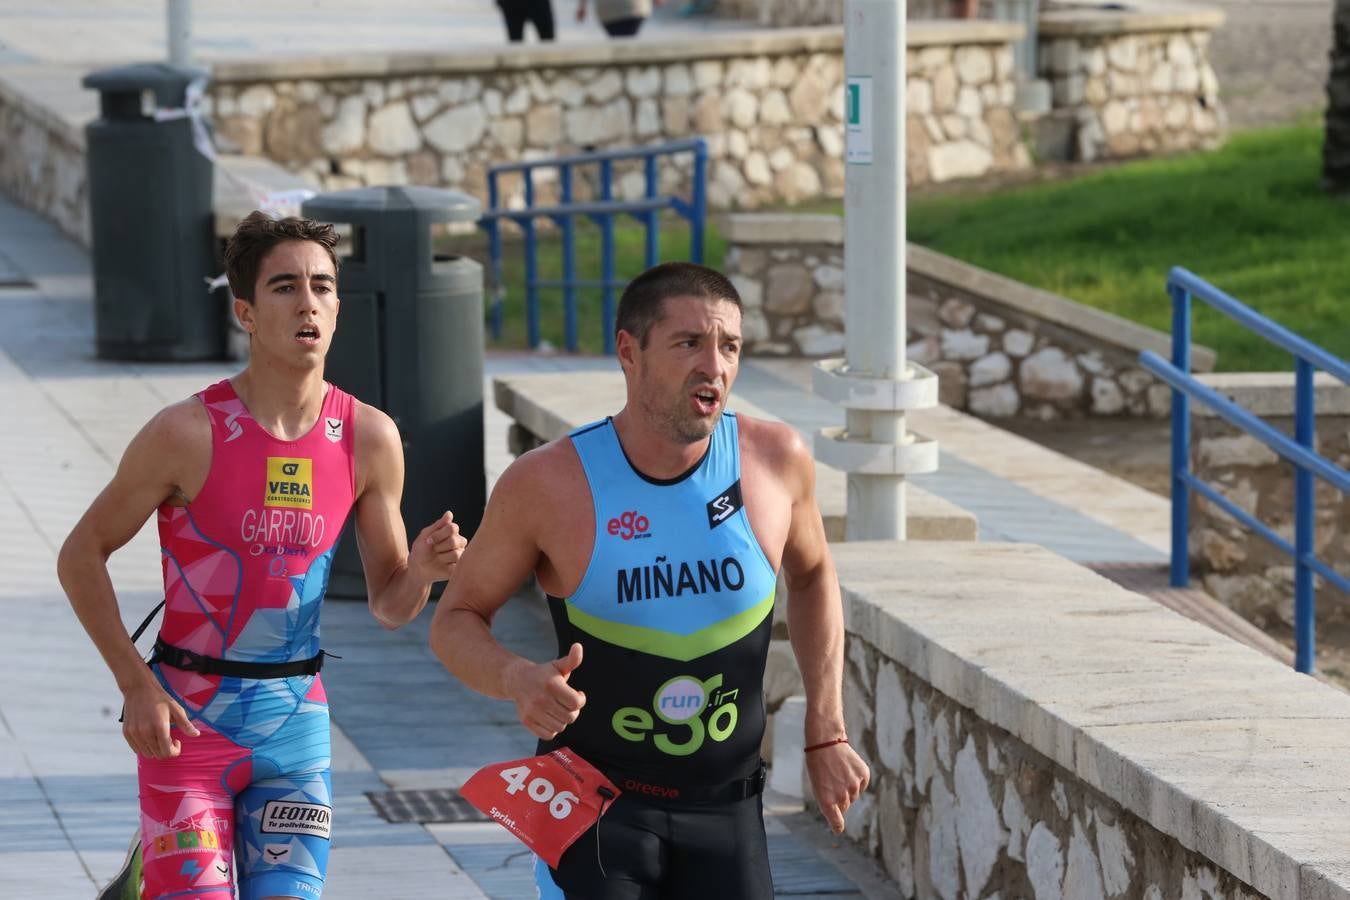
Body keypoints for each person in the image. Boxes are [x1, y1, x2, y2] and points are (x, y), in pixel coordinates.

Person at [59, 212, 467, 900]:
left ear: (338, 306)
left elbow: (390, 604)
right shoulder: (186, 432)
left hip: (295, 726)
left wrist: (423, 571)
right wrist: (135, 685)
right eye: (284, 287)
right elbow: (80, 554)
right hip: (186, 722)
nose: (307, 301)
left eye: (322, 286)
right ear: (245, 311)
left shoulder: (368, 437)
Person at [429, 261, 869, 898]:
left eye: (730, 346)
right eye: (689, 343)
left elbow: (814, 575)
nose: (714, 366)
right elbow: (456, 618)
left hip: (730, 807)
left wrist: (825, 728)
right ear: (628, 352)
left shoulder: (775, 461)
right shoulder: (548, 483)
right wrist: (516, 678)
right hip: (594, 807)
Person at [576, 0, 660, 37]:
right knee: (627, 44)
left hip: (607, 8)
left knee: (619, 43)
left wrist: (582, 6)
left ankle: (623, 68)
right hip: (633, 7)